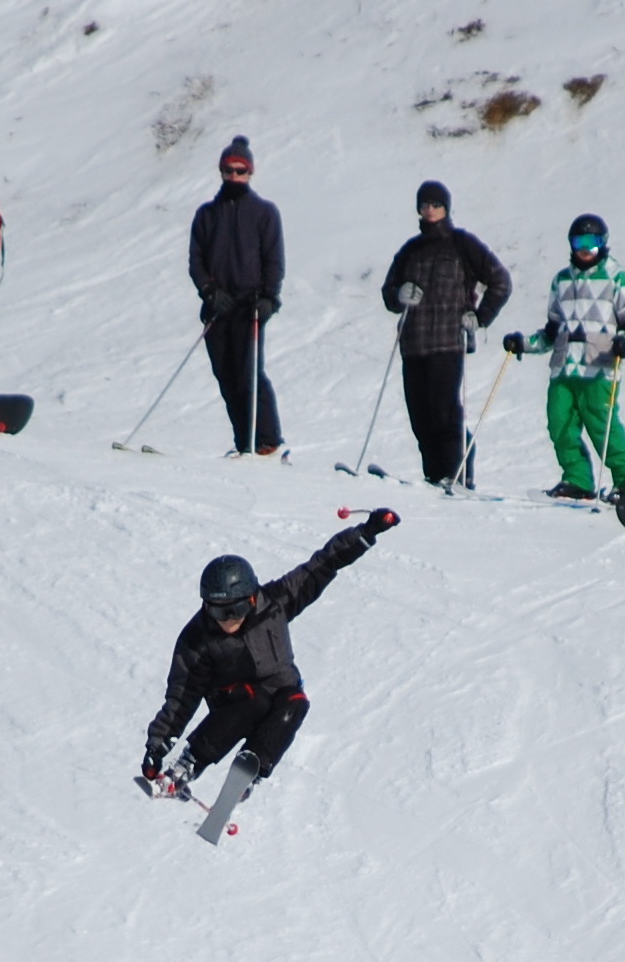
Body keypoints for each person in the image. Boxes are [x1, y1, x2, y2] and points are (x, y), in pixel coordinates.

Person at [142, 510, 401, 797]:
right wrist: (158, 744)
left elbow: (323, 565)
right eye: (217, 611)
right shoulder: (197, 639)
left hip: (280, 694)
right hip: (233, 703)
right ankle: (188, 765)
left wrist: (366, 532)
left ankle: (248, 771)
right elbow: (181, 697)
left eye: (235, 609)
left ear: (252, 599)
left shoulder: (275, 603)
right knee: (254, 701)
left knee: (296, 702)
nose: (227, 620)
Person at [503, 213, 625, 499]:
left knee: (602, 426)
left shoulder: (619, 277)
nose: (585, 248)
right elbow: (552, 330)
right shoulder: (562, 281)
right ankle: (577, 479)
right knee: (560, 424)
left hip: (599, 366)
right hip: (565, 367)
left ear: (602, 243)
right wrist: (523, 343)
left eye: (592, 242)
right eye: (579, 241)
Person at [380, 180, 511, 487]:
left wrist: (479, 317)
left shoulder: (462, 244)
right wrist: (399, 293)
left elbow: (500, 281)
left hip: (448, 342)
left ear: (447, 208)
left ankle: (457, 472)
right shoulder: (410, 250)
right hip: (413, 344)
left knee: (444, 412)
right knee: (420, 415)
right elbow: (388, 293)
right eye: (425, 205)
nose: (430, 210)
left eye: (436, 205)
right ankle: (434, 475)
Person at [188, 135, 284, 456]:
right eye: (229, 170)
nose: (234, 176)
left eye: (240, 171)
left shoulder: (264, 212)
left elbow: (273, 259)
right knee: (226, 377)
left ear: (250, 173)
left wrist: (269, 297)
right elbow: (196, 260)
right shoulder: (207, 214)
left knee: (249, 375)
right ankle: (245, 443)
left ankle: (267, 442)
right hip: (218, 306)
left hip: (249, 306)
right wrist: (209, 291)